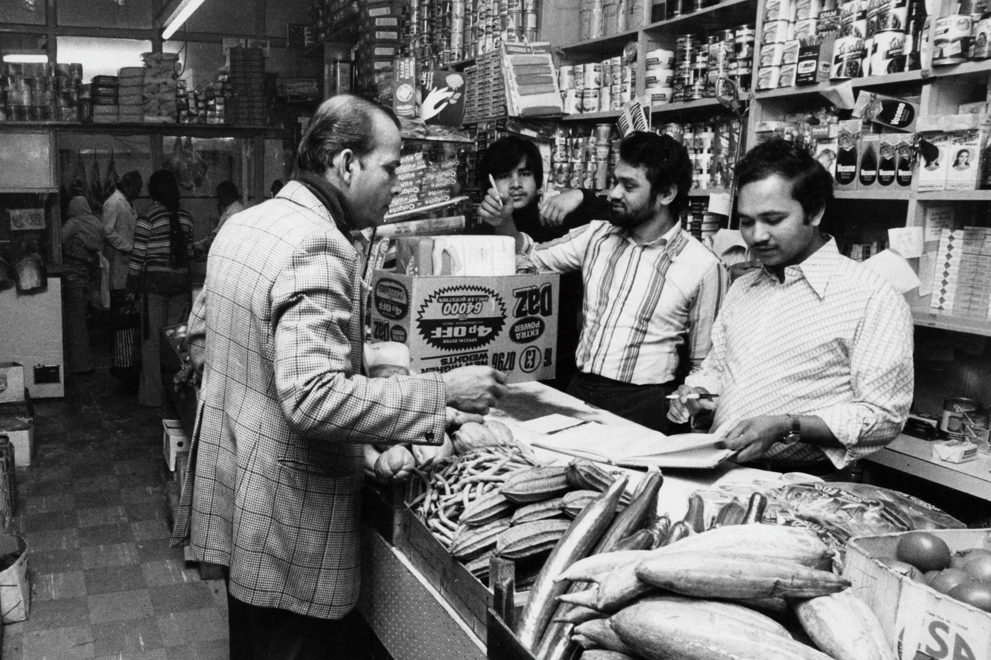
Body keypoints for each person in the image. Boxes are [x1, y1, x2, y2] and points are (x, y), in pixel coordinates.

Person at [169, 94, 507, 660]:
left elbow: (211, 341)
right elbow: (312, 400)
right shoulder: (319, 245)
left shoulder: (245, 223)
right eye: (392, 166)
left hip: (239, 495)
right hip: (289, 523)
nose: (397, 183)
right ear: (347, 165)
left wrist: (360, 358)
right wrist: (444, 392)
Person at [668, 138, 914, 476]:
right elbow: (719, 370)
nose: (756, 236)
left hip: (806, 482)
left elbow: (885, 417)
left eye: (773, 219)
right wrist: (699, 394)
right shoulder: (743, 287)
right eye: (746, 221)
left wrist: (788, 426)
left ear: (814, 212)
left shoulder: (871, 296)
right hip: (723, 470)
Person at [482, 131, 727, 433]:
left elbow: (706, 364)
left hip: (646, 405)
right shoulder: (597, 236)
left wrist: (693, 402)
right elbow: (528, 258)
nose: (613, 193)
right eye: (614, 181)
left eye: (629, 185)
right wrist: (504, 220)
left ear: (666, 194)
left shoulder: (703, 266)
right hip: (580, 391)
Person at [476, 136, 609, 388]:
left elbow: (621, 219)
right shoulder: (475, 235)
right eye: (504, 176)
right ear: (488, 184)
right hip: (492, 364)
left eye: (525, 173)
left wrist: (581, 195)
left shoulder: (558, 221)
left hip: (558, 362)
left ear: (538, 180)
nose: (516, 184)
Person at [127, 169, 194, 408]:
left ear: (153, 190)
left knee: (152, 341)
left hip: (153, 286)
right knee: (176, 342)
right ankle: (176, 394)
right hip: (179, 285)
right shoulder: (185, 217)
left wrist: (131, 287)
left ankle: (153, 397)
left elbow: (137, 257)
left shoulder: (147, 217)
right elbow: (187, 253)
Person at [62, 196, 105, 375]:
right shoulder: (96, 222)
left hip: (73, 277)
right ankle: (83, 363)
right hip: (86, 276)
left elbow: (59, 238)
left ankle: (81, 365)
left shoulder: (74, 222)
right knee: (80, 320)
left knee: (75, 322)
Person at [193, 180, 244, 256]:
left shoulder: (237, 211)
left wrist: (203, 243)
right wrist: (202, 242)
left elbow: (222, 233)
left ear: (226, 196)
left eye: (219, 196)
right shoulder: (229, 209)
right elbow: (217, 230)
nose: (218, 200)